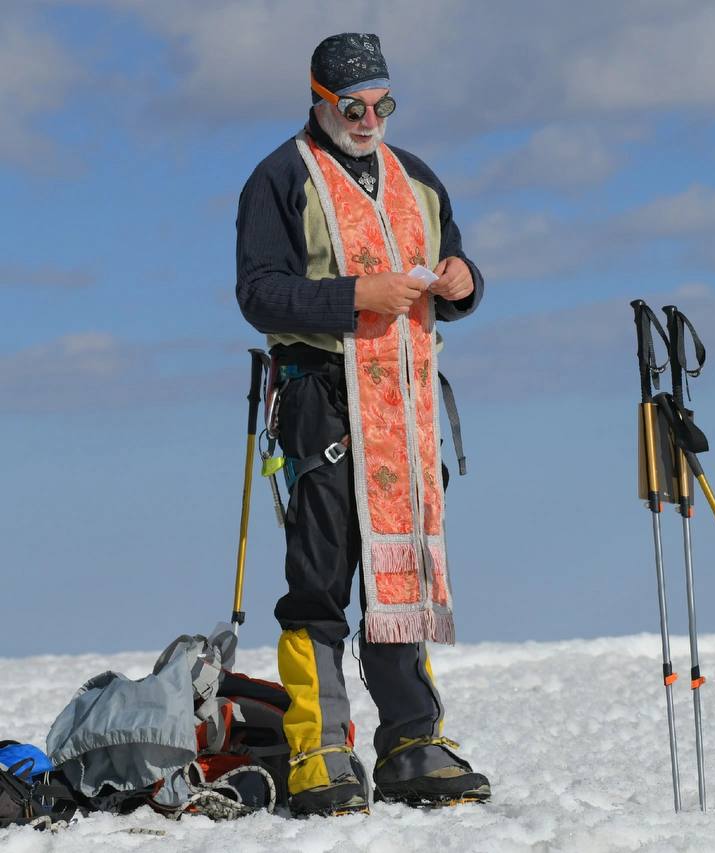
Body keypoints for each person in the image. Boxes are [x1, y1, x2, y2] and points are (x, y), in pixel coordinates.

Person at [235, 33, 488, 817]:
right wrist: (352, 297)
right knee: (319, 582)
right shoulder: (281, 178)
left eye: (383, 104)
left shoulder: (418, 178)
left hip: (406, 408)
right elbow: (259, 293)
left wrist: (464, 280)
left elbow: (455, 270)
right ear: (319, 100)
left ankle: (414, 741)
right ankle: (320, 748)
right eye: (353, 107)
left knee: (400, 574)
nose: (370, 118)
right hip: (321, 400)